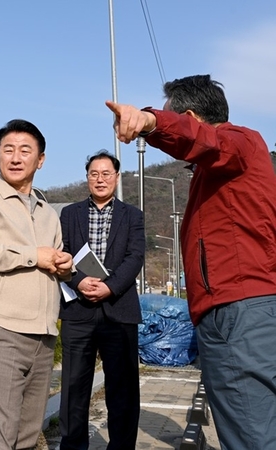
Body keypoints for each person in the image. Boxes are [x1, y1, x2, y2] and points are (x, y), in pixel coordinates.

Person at [106, 74, 276, 449]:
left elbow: (204, 139)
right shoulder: (218, 171)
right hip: (237, 310)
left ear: (192, 118)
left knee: (250, 434)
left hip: (237, 310)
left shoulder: (238, 142)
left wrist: (151, 122)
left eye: (176, 119)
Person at [0, 119, 73, 449]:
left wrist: (63, 266)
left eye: (26, 150)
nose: (16, 157)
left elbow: (51, 260)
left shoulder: (48, 212)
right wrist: (34, 256)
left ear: (41, 160)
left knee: (26, 433)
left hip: (44, 332)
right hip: (2, 327)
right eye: (8, 150)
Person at [58, 150, 145, 450]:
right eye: (94, 174)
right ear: (86, 178)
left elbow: (135, 257)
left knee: (122, 389)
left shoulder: (133, 216)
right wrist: (78, 281)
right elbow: (62, 253)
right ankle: (73, 446)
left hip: (118, 311)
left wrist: (109, 287)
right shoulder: (69, 214)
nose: (100, 179)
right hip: (78, 311)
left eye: (106, 173)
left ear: (117, 177)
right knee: (73, 388)